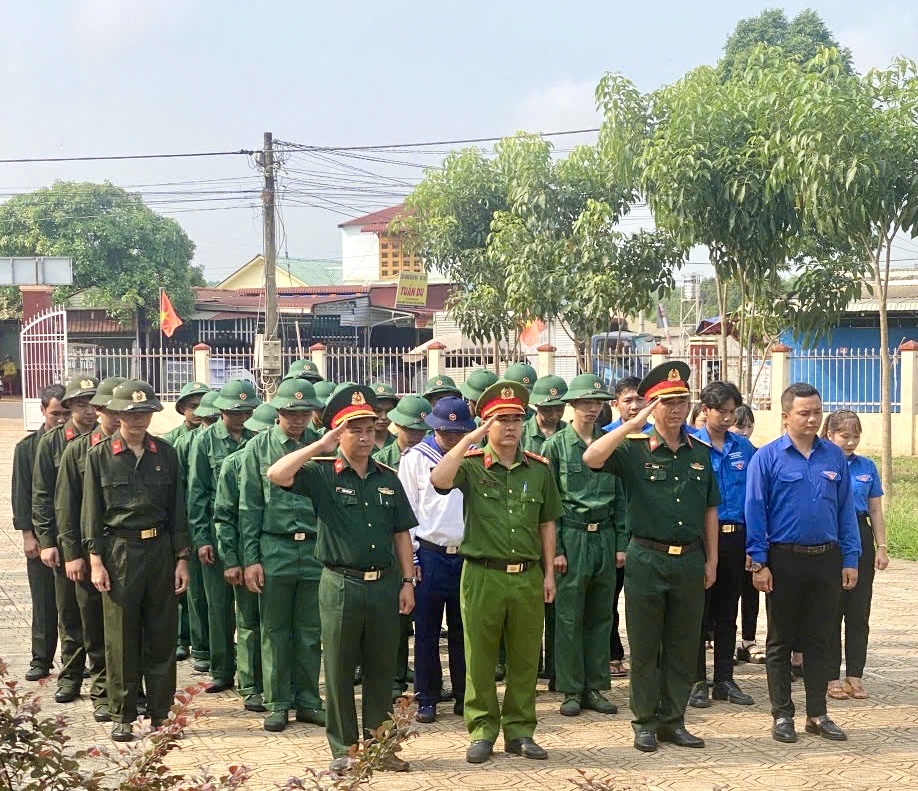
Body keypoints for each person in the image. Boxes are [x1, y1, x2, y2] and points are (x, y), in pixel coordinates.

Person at [266, 384, 417, 774]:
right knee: (339, 668)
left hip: (384, 584)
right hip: (341, 584)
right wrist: (320, 445)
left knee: (382, 669)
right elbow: (277, 474)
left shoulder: (387, 478)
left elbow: (401, 532)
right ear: (338, 433)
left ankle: (380, 746)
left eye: (369, 429)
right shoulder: (322, 473)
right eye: (355, 430)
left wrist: (407, 582)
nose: (365, 437)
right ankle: (345, 749)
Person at [582, 362, 719, 753]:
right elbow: (592, 458)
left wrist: (712, 560)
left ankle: (673, 721)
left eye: (681, 401)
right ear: (652, 406)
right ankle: (644, 721)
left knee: (683, 645)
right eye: (666, 402)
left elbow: (710, 508)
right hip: (646, 557)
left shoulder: (700, 453)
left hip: (689, 559)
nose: (675, 409)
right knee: (645, 646)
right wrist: (632, 423)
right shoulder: (633, 448)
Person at [430, 380, 562, 765]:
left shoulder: (539, 469)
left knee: (525, 657)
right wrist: (469, 439)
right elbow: (439, 480)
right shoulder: (471, 465)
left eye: (516, 420)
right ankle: (482, 730)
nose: (510, 427)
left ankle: (520, 731)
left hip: (527, 575)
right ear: (487, 424)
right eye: (500, 420)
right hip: (482, 574)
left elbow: (547, 523)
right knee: (480, 657)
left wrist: (548, 574)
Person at [745, 383, 861, 744]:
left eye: (817, 412)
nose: (812, 419)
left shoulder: (833, 457)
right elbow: (755, 511)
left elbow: (845, 511)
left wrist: (850, 558)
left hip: (826, 559)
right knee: (780, 641)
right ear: (785, 416)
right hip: (783, 561)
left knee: (820, 639)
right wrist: (759, 562)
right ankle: (782, 714)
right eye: (804, 413)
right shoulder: (766, 458)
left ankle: (817, 714)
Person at [81, 380, 191, 741]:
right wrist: (95, 559)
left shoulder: (166, 453)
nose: (139, 419)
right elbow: (90, 512)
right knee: (120, 637)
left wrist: (182, 558)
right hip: (120, 551)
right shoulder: (99, 455)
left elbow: (178, 509)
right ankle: (123, 714)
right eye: (131, 413)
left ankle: (160, 713)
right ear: (117, 414)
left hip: (159, 549)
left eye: (145, 412)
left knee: (161, 634)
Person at [239, 382, 327, 732]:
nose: (297, 419)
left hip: (314, 548)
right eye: (291, 412)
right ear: (278, 411)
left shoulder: (321, 445)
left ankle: (309, 701)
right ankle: (277, 703)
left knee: (310, 631)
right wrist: (251, 560)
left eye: (304, 413)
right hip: (274, 548)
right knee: (274, 630)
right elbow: (249, 507)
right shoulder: (258, 448)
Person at [543, 373, 625, 718]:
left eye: (597, 403)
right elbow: (549, 503)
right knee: (568, 617)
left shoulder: (610, 443)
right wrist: (557, 550)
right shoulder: (556, 446)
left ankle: (595, 686)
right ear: (572, 405)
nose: (592, 409)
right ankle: (571, 689)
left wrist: (621, 542)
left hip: (604, 535)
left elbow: (621, 496)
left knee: (601, 615)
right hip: (572, 536)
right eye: (586, 402)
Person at [55, 376, 126, 723]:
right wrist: (72, 554)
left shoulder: (138, 449)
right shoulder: (78, 450)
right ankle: (101, 692)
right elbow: (66, 506)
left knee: (129, 628)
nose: (117, 416)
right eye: (110, 410)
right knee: (93, 625)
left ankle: (130, 690)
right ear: (100, 411)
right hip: (89, 551)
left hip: (127, 552)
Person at [398, 396, 473, 724]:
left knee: (463, 631)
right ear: (434, 429)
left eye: (458, 432)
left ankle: (464, 695)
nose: (452, 437)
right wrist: (412, 557)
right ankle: (426, 697)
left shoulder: (473, 455)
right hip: (429, 554)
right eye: (446, 431)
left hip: (466, 553)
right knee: (426, 632)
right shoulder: (416, 457)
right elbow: (407, 510)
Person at [187, 380, 261, 692]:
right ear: (221, 411)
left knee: (249, 610)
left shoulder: (257, 439)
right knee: (218, 606)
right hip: (216, 534)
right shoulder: (204, 441)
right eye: (235, 412)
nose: (241, 417)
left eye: (246, 411)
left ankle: (251, 674)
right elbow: (197, 493)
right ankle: (221, 669)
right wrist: (202, 538)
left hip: (249, 534)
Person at [688, 381, 756, 709]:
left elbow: (756, 497)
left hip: (735, 537)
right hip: (700, 539)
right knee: (698, 612)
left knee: (729, 612)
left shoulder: (744, 448)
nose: (728, 418)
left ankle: (725, 680)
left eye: (732, 412)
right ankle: (696, 681)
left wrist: (755, 546)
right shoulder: (690, 445)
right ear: (705, 410)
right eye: (722, 412)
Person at [32, 376, 100, 703]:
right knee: (70, 615)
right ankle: (71, 677)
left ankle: (104, 682)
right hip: (66, 540)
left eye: (94, 404)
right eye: (81, 404)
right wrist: (47, 541)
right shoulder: (52, 442)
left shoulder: (108, 437)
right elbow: (42, 496)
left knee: (102, 617)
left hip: (102, 541)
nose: (89, 411)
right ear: (70, 406)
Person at [213, 403, 277, 718]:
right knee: (249, 622)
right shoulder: (235, 463)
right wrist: (231, 560)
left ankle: (280, 683)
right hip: (245, 552)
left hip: (279, 555)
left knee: (278, 625)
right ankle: (251, 684)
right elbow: (224, 516)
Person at [821, 410, 889, 701]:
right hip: (831, 535)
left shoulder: (866, 467)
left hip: (860, 535)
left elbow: (875, 509)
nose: (850, 442)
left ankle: (855, 676)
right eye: (844, 436)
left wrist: (881, 546)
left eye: (855, 436)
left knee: (858, 611)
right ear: (829, 435)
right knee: (830, 610)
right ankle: (830, 676)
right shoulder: (822, 463)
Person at [372, 394, 434, 699]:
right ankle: (394, 677)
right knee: (396, 618)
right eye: (410, 429)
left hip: (425, 544)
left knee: (424, 619)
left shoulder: (432, 456)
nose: (415, 435)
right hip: (392, 544)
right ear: (397, 426)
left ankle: (424, 678)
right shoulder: (381, 459)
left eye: (421, 430)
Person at [12, 384, 68, 682]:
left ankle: (74, 660)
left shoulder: (78, 443)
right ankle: (41, 659)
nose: (61, 419)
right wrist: (28, 535)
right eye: (55, 413)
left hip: (71, 535)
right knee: (44, 600)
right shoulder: (27, 448)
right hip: (41, 534)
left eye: (66, 413)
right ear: (43, 410)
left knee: (73, 604)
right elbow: (21, 494)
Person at [603, 376, 649, 678]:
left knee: (645, 602)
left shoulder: (659, 435)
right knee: (609, 599)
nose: (634, 406)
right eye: (628, 400)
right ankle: (612, 653)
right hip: (612, 532)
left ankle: (648, 657)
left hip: (648, 532)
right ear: (615, 404)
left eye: (639, 400)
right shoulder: (606, 437)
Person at [173, 390, 220, 673]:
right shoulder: (183, 443)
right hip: (194, 524)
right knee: (196, 592)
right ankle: (198, 645)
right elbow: (181, 492)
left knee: (217, 597)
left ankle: (219, 648)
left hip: (222, 526)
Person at [731, 404, 763, 664]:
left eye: (749, 425)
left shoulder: (757, 454)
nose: (745, 431)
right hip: (727, 531)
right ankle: (725, 640)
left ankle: (749, 640)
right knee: (729, 591)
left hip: (751, 531)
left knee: (751, 588)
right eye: (739, 425)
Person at [522, 375, 568, 455]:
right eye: (547, 409)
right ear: (536, 405)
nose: (554, 415)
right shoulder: (521, 434)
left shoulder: (570, 433)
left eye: (559, 409)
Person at [161, 381, 210, 448]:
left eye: (203, 406)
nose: (198, 411)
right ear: (182, 408)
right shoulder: (171, 439)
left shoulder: (215, 434)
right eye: (193, 407)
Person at [369, 382, 400, 450]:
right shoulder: (358, 444)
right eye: (377, 411)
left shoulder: (399, 444)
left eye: (389, 411)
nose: (384, 417)